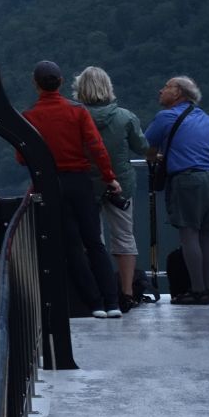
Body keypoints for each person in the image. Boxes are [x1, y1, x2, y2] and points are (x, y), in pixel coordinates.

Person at [16, 60, 121, 318]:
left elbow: (21, 158)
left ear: (35, 84)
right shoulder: (77, 111)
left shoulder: (29, 117)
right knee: (94, 242)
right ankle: (113, 303)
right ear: (61, 82)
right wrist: (110, 178)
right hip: (80, 181)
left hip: (50, 184)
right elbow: (97, 148)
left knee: (72, 245)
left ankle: (94, 304)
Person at [74, 66, 150, 311]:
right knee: (124, 237)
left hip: (85, 185)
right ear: (108, 87)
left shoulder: (74, 116)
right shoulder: (126, 117)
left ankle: (100, 293)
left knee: (93, 241)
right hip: (120, 185)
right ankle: (126, 294)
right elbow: (142, 147)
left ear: (80, 88)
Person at [144, 76, 209, 303]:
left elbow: (145, 146)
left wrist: (156, 157)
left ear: (178, 93)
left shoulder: (165, 117)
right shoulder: (206, 118)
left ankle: (196, 290)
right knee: (205, 235)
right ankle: (207, 289)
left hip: (187, 180)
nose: (160, 90)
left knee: (189, 234)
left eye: (166, 87)